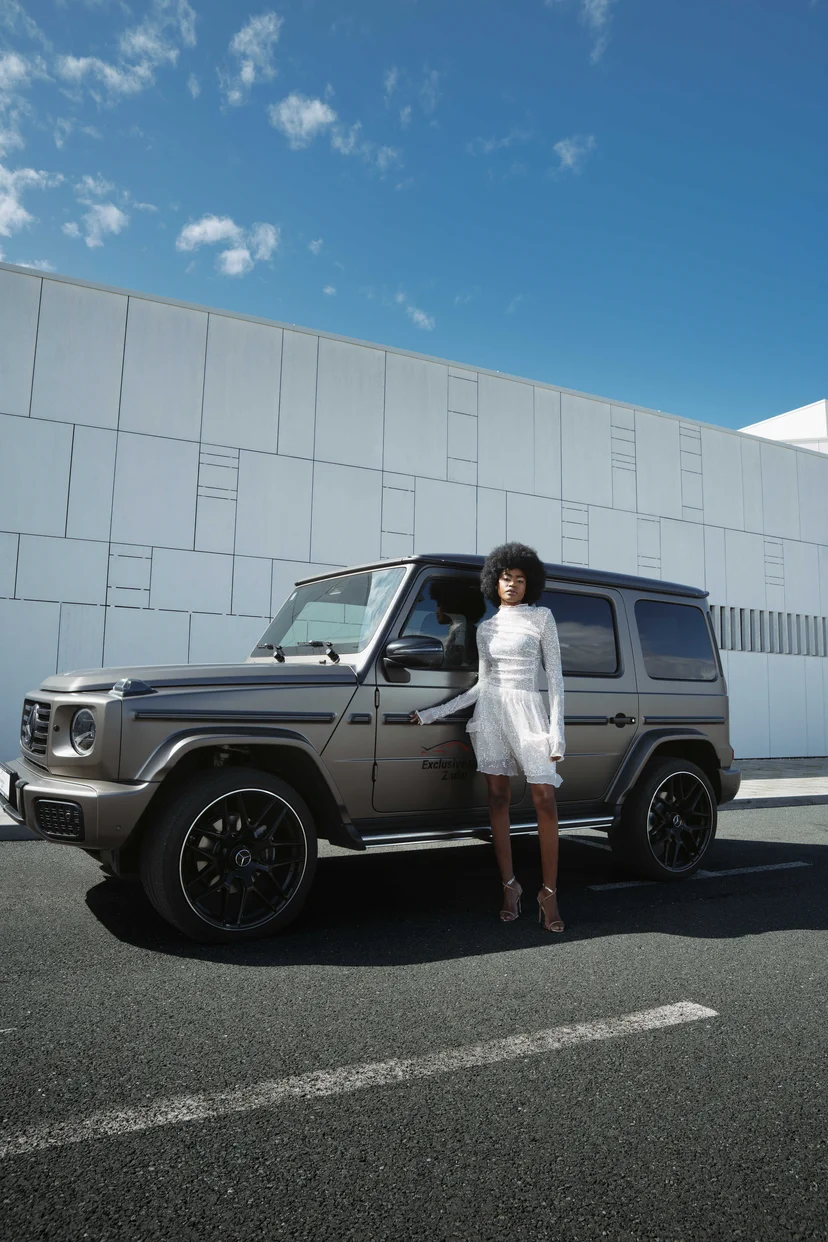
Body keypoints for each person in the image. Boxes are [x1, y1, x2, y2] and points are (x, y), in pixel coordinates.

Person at [411, 543, 566, 932]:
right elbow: (482, 685)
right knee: (497, 798)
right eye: (506, 578)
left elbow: (556, 678)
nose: (512, 584)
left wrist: (557, 732)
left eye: (520, 579)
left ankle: (549, 892)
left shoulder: (542, 617)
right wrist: (434, 713)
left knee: (544, 799)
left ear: (529, 584)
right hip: (492, 714)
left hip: (529, 713)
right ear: (494, 583)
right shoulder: (487, 628)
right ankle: (509, 887)